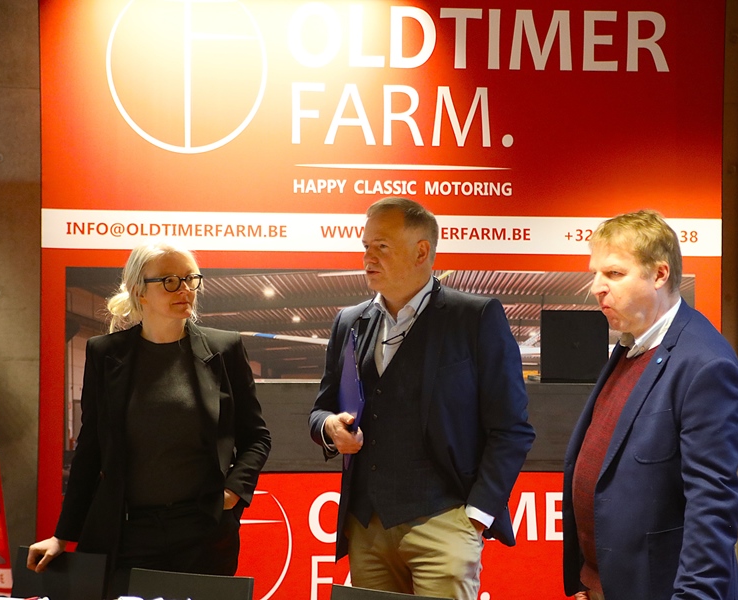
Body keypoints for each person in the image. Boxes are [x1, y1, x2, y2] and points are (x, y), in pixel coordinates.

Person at [309, 197, 535, 600]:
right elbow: (321, 409)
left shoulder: (475, 317)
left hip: (445, 522)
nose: (368, 257)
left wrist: (476, 517)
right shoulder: (350, 321)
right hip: (367, 528)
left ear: (421, 251)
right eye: (365, 246)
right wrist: (328, 427)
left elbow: (511, 428)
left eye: (381, 246)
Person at [27, 242, 271, 586]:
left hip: (202, 532)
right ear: (139, 291)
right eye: (170, 281)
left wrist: (232, 493)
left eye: (190, 279)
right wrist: (62, 536)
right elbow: (90, 448)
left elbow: (257, 437)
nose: (185, 289)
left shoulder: (224, 348)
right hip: (128, 532)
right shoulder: (105, 353)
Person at [561, 210, 738, 600]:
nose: (596, 287)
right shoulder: (632, 345)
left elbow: (712, 508)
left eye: (614, 274)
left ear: (660, 274)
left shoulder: (705, 364)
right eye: (596, 273)